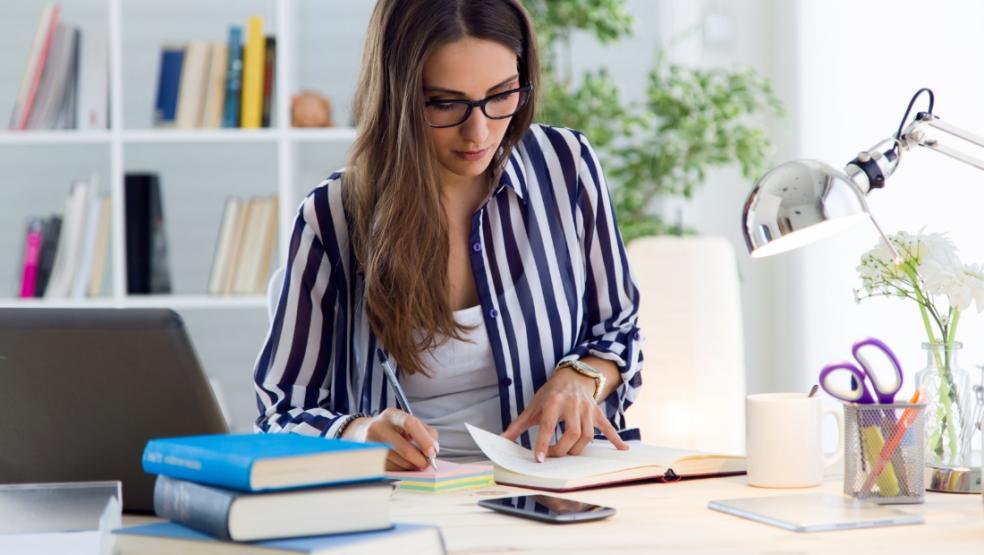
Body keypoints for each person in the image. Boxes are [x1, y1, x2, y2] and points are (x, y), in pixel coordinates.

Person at [254, 0, 643, 470]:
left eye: (502, 95)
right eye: (444, 103)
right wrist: (360, 435)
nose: (478, 132)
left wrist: (580, 378)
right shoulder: (333, 217)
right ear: (397, 96)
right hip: (408, 502)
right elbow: (281, 412)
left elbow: (619, 331)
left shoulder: (568, 166)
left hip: (557, 486)